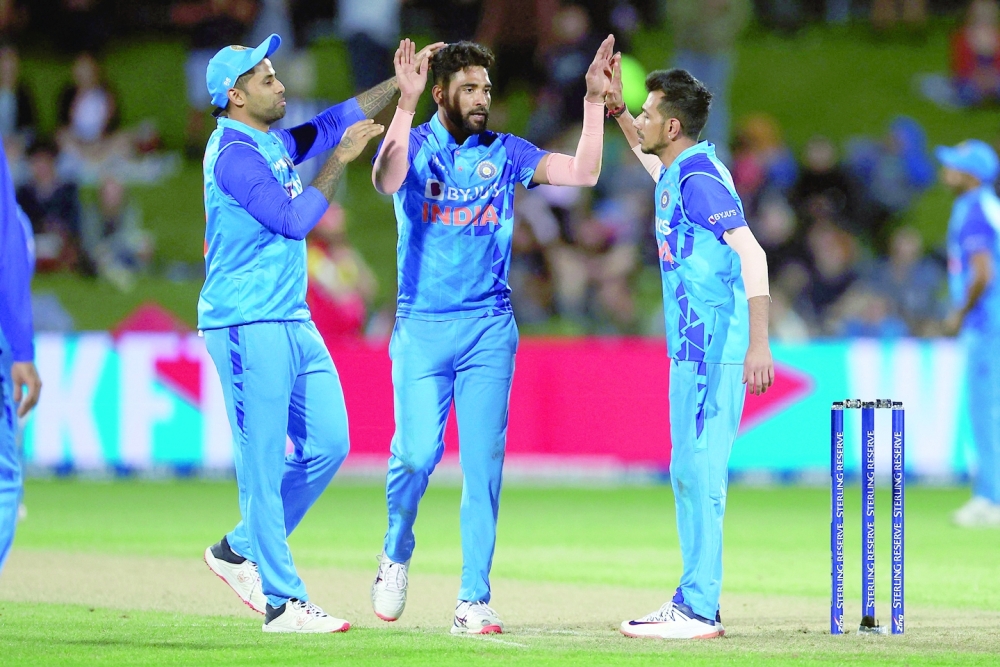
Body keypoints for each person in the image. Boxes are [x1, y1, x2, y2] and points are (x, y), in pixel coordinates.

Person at [369, 37, 614, 634]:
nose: (482, 99)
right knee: (416, 457)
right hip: (422, 328)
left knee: (483, 467)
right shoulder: (418, 144)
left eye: (486, 88)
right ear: (439, 93)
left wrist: (591, 103)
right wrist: (401, 106)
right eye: (469, 89)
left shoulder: (504, 153)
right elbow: (383, 178)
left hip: (488, 329)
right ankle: (396, 550)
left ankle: (473, 599)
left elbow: (581, 173)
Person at [198, 32, 436, 633]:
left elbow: (333, 122)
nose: (280, 85)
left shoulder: (268, 143)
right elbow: (291, 220)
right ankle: (282, 600)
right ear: (235, 95)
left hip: (290, 318)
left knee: (330, 442)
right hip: (246, 322)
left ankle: (237, 550)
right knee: (259, 465)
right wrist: (338, 163)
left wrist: (399, 86)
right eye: (267, 78)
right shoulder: (233, 154)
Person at [605, 65, 773, 638]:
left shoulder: (702, 181)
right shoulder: (681, 169)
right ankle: (694, 599)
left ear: (673, 124)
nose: (643, 118)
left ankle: (699, 609)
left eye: (649, 112)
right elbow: (654, 164)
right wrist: (620, 114)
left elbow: (753, 254)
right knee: (687, 472)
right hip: (692, 354)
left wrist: (759, 343)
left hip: (716, 353)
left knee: (700, 475)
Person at [936, 139, 1000, 527]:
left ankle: (989, 499)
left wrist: (959, 314)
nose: (946, 170)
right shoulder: (987, 205)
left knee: (984, 411)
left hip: (986, 322)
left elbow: (982, 273)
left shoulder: (973, 209)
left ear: (970, 175)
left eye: (954, 165)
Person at [0, 133, 42, 575]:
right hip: (4, 341)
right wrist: (21, 350)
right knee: (5, 479)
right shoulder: (16, 222)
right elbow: (13, 276)